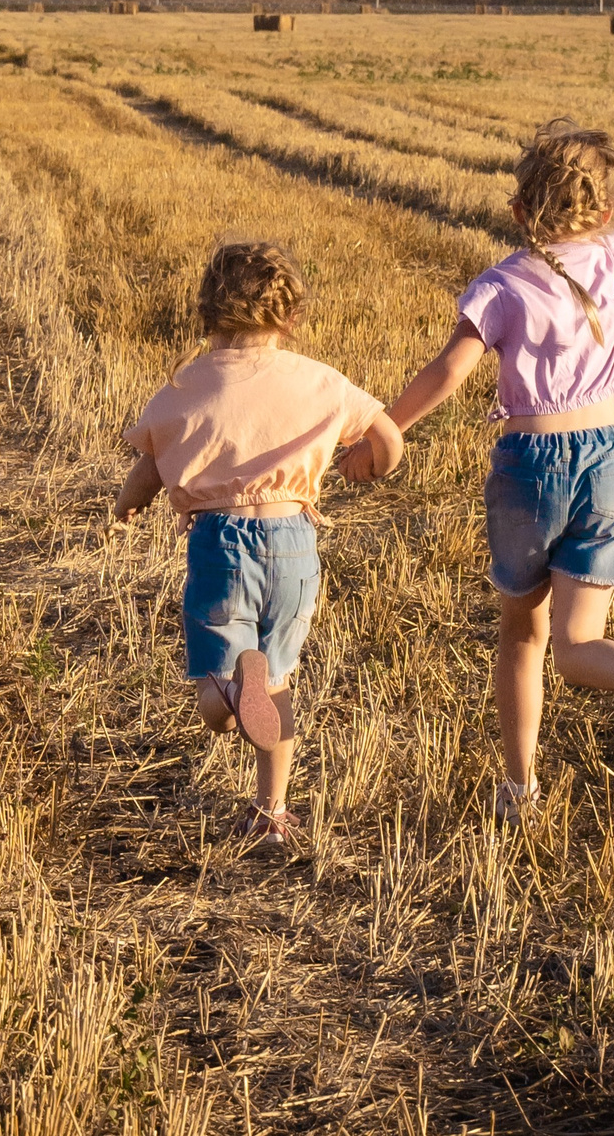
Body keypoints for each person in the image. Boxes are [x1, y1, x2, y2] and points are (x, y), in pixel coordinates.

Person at [356, 116, 614, 824]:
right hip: (609, 458)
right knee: (577, 643)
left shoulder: (503, 284)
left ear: (519, 210)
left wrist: (385, 425)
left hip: (531, 469)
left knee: (523, 633)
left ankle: (520, 792)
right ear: (602, 211)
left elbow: (451, 369)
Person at [115, 240, 404, 853]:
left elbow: (152, 462)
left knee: (217, 697)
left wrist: (127, 504)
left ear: (207, 312)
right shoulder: (318, 379)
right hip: (296, 541)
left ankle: (230, 691)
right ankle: (272, 812)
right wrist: (373, 464)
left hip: (221, 543)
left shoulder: (186, 384)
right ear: (290, 317)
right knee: (276, 682)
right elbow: (388, 437)